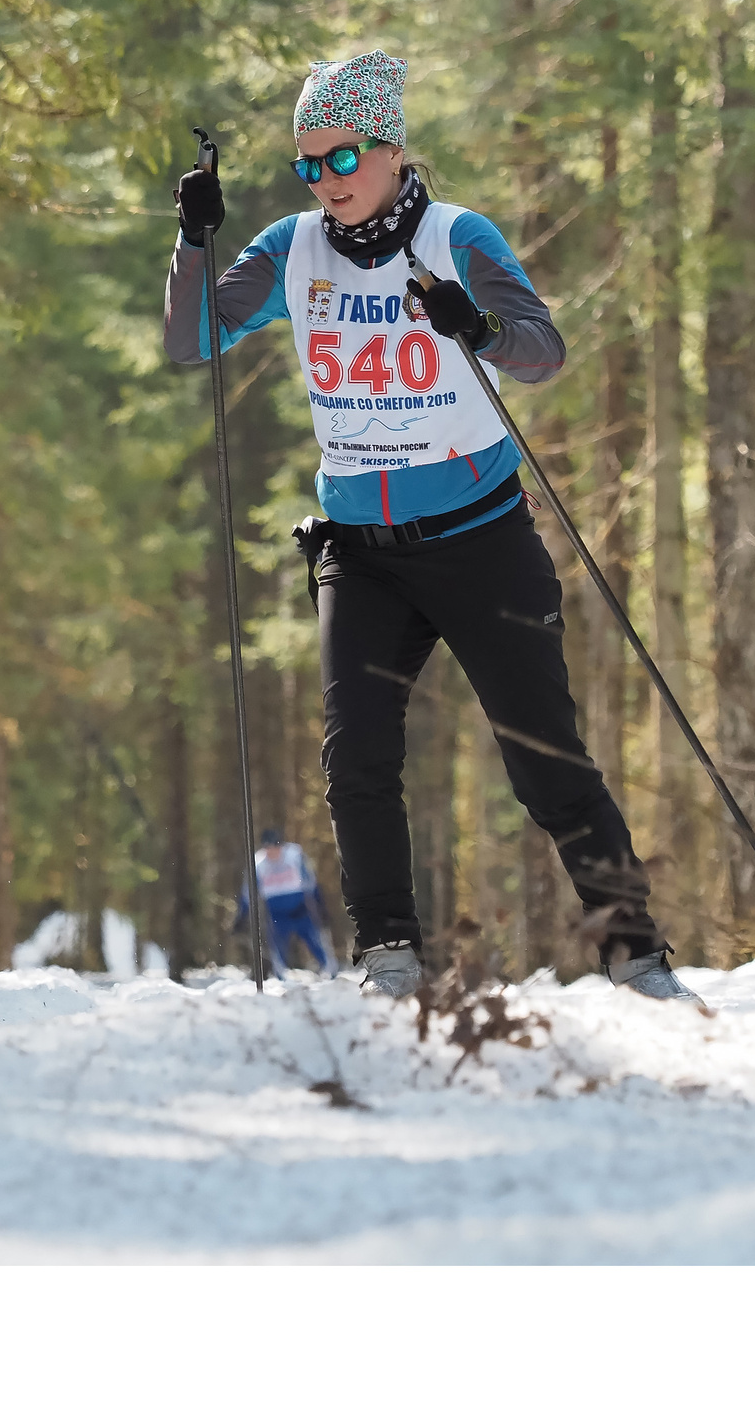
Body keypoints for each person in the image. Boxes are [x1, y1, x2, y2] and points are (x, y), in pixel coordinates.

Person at [165, 49, 698, 1005]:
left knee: (544, 758)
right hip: (361, 553)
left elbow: (542, 352)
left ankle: (636, 954)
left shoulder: (458, 235)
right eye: (308, 165)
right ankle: (389, 957)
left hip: (480, 540)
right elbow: (190, 336)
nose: (326, 182)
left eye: (342, 159)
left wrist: (475, 326)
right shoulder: (292, 248)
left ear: (394, 150)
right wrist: (196, 240)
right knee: (357, 759)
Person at [235, 828, 339, 979]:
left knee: (314, 940)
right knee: (278, 946)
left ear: (280, 846)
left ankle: (330, 971)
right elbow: (249, 891)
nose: (272, 852)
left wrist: (320, 905)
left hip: (300, 909)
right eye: (268, 848)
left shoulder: (294, 855)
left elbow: (311, 881)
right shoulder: (258, 862)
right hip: (277, 912)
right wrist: (242, 914)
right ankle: (280, 978)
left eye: (275, 847)